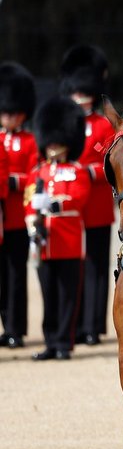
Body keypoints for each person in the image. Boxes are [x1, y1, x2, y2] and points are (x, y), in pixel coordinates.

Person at [25, 96, 92, 360]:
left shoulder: (77, 171)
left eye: (57, 141)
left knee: (67, 296)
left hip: (68, 242)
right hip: (44, 243)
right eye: (50, 141)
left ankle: (65, 342)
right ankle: (51, 341)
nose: (53, 146)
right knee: (48, 294)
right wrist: (32, 220)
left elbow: (79, 197)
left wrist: (54, 204)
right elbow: (29, 201)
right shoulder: (37, 172)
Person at [59, 44, 116, 346]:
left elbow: (107, 161)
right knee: (71, 266)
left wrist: (86, 170)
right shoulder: (64, 121)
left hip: (95, 203)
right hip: (68, 205)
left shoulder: (102, 124)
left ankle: (93, 326)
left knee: (96, 265)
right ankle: (73, 325)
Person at [0, 61, 38, 349]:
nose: (6, 117)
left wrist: (13, 182)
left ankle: (16, 328)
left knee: (16, 276)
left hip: (16, 217)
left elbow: (35, 175)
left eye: (10, 113)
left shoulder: (29, 141)